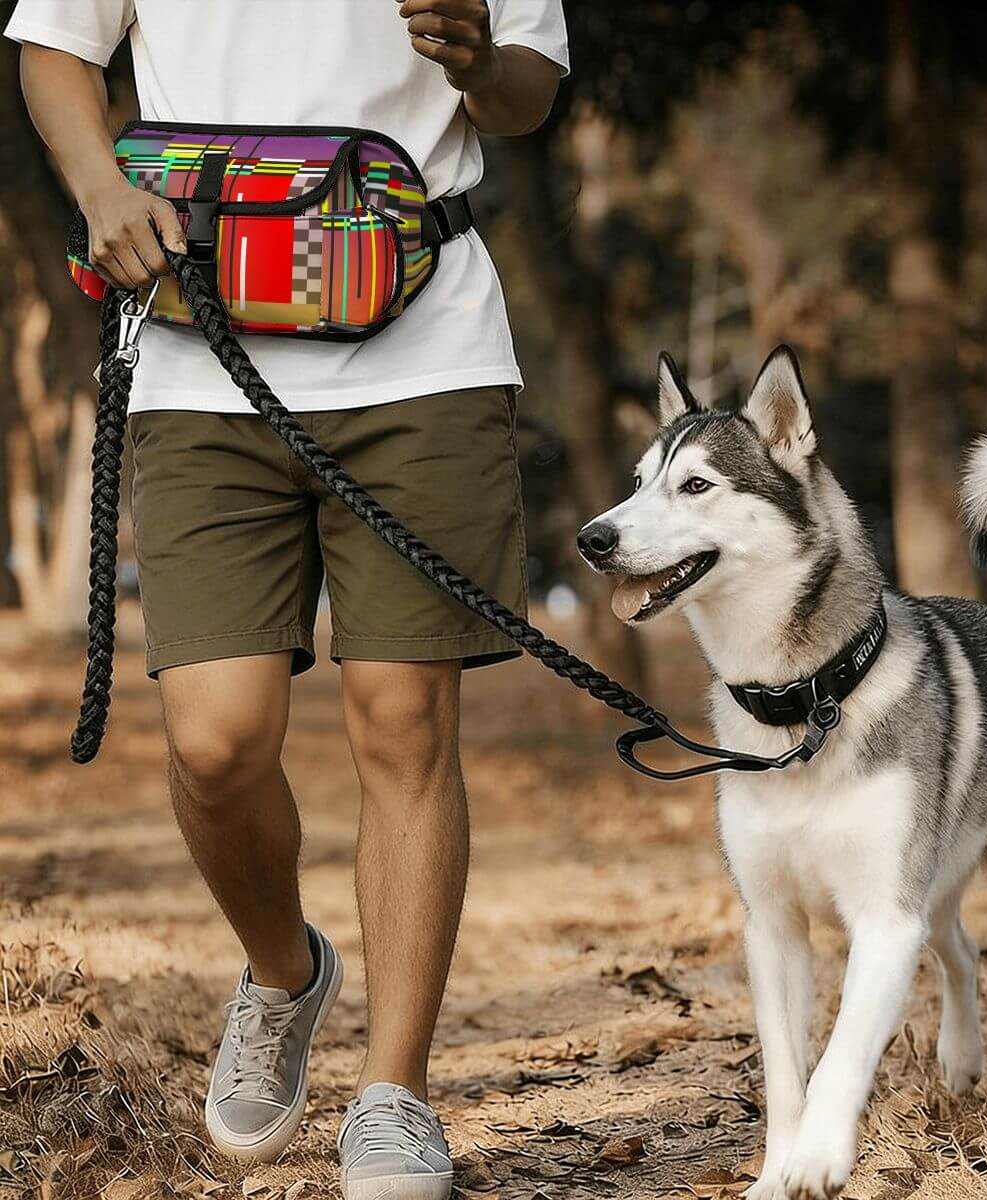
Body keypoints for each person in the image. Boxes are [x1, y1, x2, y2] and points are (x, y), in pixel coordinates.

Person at [6, 2, 567, 1196]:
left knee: (404, 727)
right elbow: (55, 45)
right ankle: (282, 973)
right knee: (215, 743)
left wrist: (478, 60)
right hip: (200, 350)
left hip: (426, 351)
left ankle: (395, 1095)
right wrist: (102, 188)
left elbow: (530, 92)